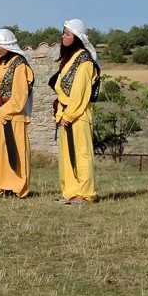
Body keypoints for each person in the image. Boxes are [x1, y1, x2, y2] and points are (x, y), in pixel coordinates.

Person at [0, 29, 35, 198]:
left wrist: (5, 111)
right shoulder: (3, 63)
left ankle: (15, 188)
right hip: (0, 115)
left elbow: (19, 97)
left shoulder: (20, 66)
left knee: (15, 153)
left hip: (14, 116)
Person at [52, 19, 100, 205]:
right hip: (66, 113)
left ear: (77, 37)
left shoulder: (85, 62)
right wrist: (61, 114)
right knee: (67, 155)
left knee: (81, 154)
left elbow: (80, 93)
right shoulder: (70, 59)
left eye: (67, 34)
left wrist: (69, 115)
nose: (63, 36)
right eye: (63, 33)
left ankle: (84, 193)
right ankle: (71, 192)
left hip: (78, 115)